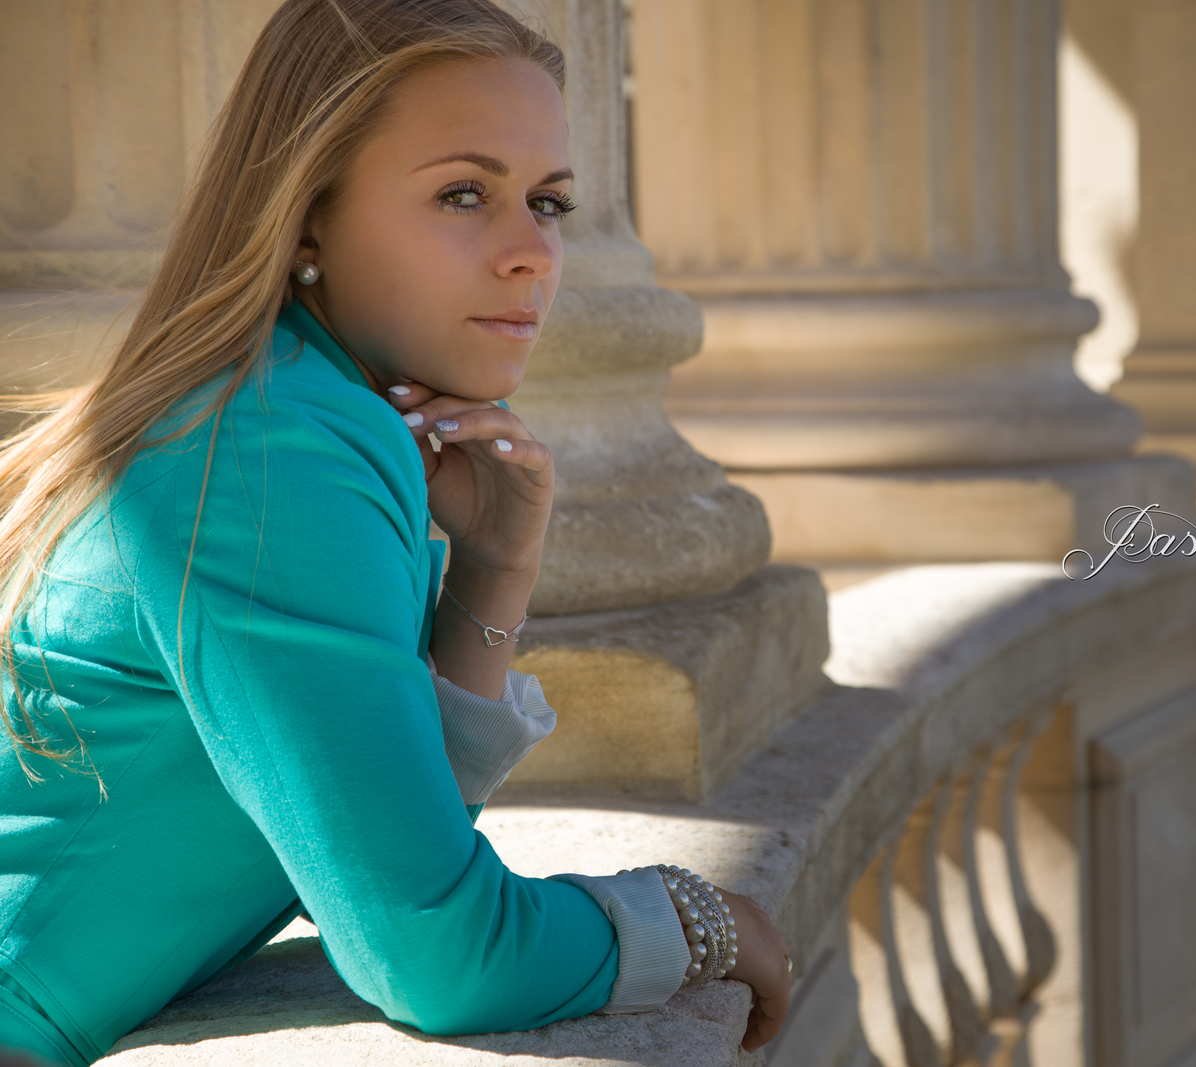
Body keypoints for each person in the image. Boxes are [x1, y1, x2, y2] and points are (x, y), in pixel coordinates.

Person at [0, 1, 793, 1063]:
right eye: (464, 194)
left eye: (548, 201)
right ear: (309, 215)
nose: (532, 255)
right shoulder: (275, 454)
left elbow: (392, 835)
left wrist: (495, 567)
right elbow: (436, 951)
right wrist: (694, 919)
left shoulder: (312, 411)